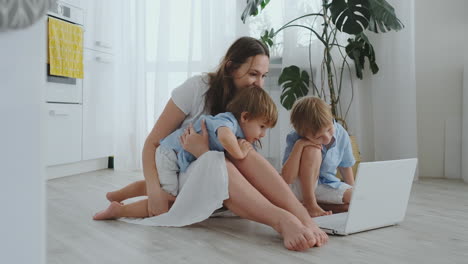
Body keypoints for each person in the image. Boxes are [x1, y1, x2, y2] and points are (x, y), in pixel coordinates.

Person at [95, 37, 328, 251]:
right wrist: (156, 191)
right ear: (230, 68)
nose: (259, 83)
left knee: (243, 154)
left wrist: (208, 152)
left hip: (220, 182)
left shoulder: (249, 103)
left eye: (264, 76)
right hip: (185, 170)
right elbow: (152, 143)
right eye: (253, 74)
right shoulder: (197, 88)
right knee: (220, 161)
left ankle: (302, 216)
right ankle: (283, 221)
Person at [93, 86, 278, 218]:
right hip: (170, 155)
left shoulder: (237, 129)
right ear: (245, 117)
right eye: (262, 127)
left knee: (153, 186)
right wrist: (239, 153)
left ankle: (117, 195)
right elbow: (224, 138)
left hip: (172, 154)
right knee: (172, 199)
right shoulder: (228, 121)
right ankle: (120, 211)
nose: (262, 134)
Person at [281, 96, 356, 218]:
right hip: (299, 187)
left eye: (329, 129)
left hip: (325, 185)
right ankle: (309, 203)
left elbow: (345, 165)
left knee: (354, 201)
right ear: (302, 133)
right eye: (318, 137)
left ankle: (310, 206)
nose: (326, 138)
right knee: (313, 150)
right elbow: (287, 179)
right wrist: (299, 146)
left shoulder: (341, 133)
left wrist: (354, 190)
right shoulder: (295, 138)